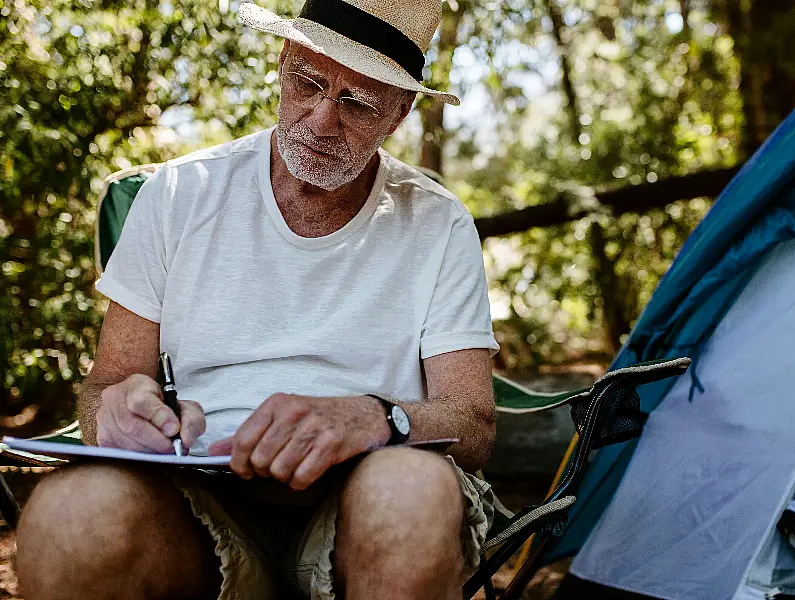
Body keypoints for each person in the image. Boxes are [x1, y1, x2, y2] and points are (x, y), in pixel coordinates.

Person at [15, 1, 501, 599]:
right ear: (281, 65)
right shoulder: (176, 195)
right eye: (308, 82)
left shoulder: (437, 223)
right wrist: (116, 414)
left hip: (362, 498)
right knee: (69, 516)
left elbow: (472, 424)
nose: (322, 121)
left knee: (410, 492)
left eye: (357, 102)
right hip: (195, 505)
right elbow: (102, 390)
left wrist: (378, 417)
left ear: (398, 114)